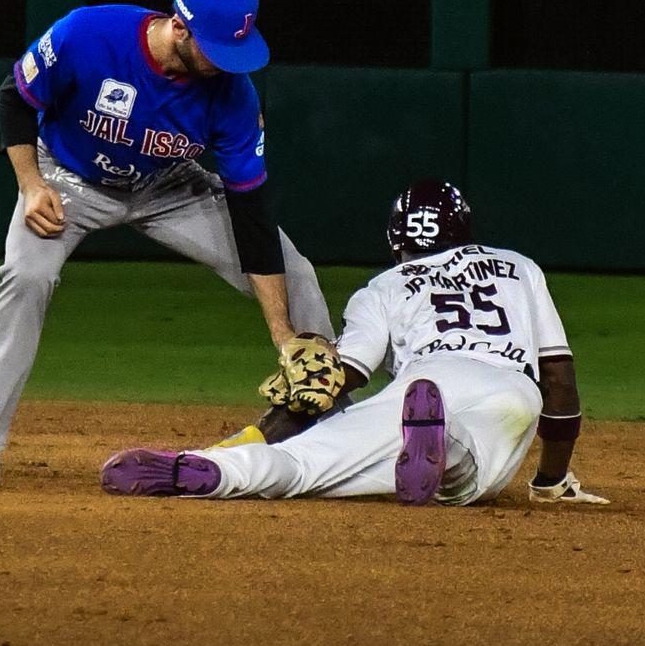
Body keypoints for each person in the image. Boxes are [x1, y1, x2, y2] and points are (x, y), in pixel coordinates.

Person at [0, 0, 334, 487]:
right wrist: (31, 184)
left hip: (169, 188)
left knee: (295, 273)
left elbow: (251, 208)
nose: (228, 65)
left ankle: (331, 429)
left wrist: (282, 331)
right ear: (179, 29)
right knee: (26, 277)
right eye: (217, 49)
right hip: (67, 178)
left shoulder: (234, 95)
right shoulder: (88, 35)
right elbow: (15, 98)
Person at [100, 180, 608, 507]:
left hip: (425, 380)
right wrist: (551, 480)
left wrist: (271, 425)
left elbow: (336, 379)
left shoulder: (385, 288)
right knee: (470, 480)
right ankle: (442, 446)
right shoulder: (517, 266)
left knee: (307, 465)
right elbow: (560, 381)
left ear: (396, 242)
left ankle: (214, 467)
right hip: (513, 390)